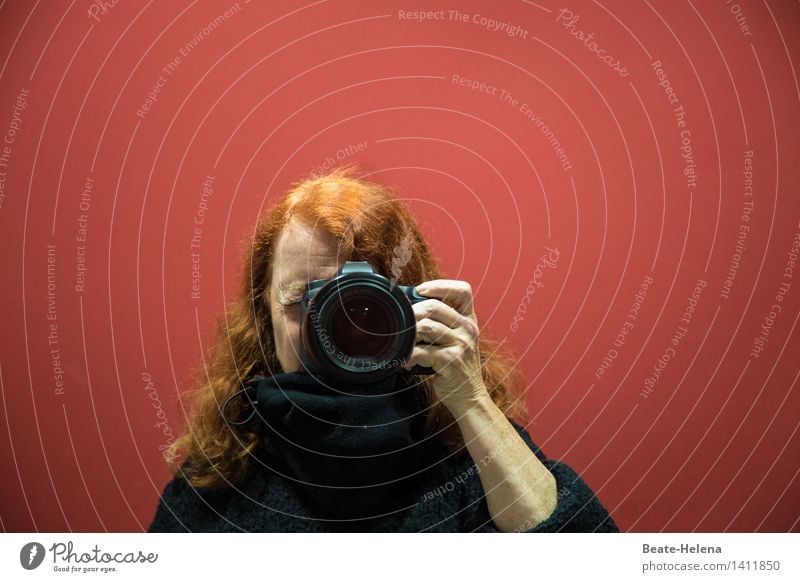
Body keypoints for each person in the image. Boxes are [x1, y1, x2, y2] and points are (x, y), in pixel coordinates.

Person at [147, 166, 618, 532]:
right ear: (262, 320)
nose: (331, 326)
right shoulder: (225, 474)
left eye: (361, 307)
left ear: (411, 306)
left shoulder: (466, 455)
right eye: (301, 301)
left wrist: (470, 400)